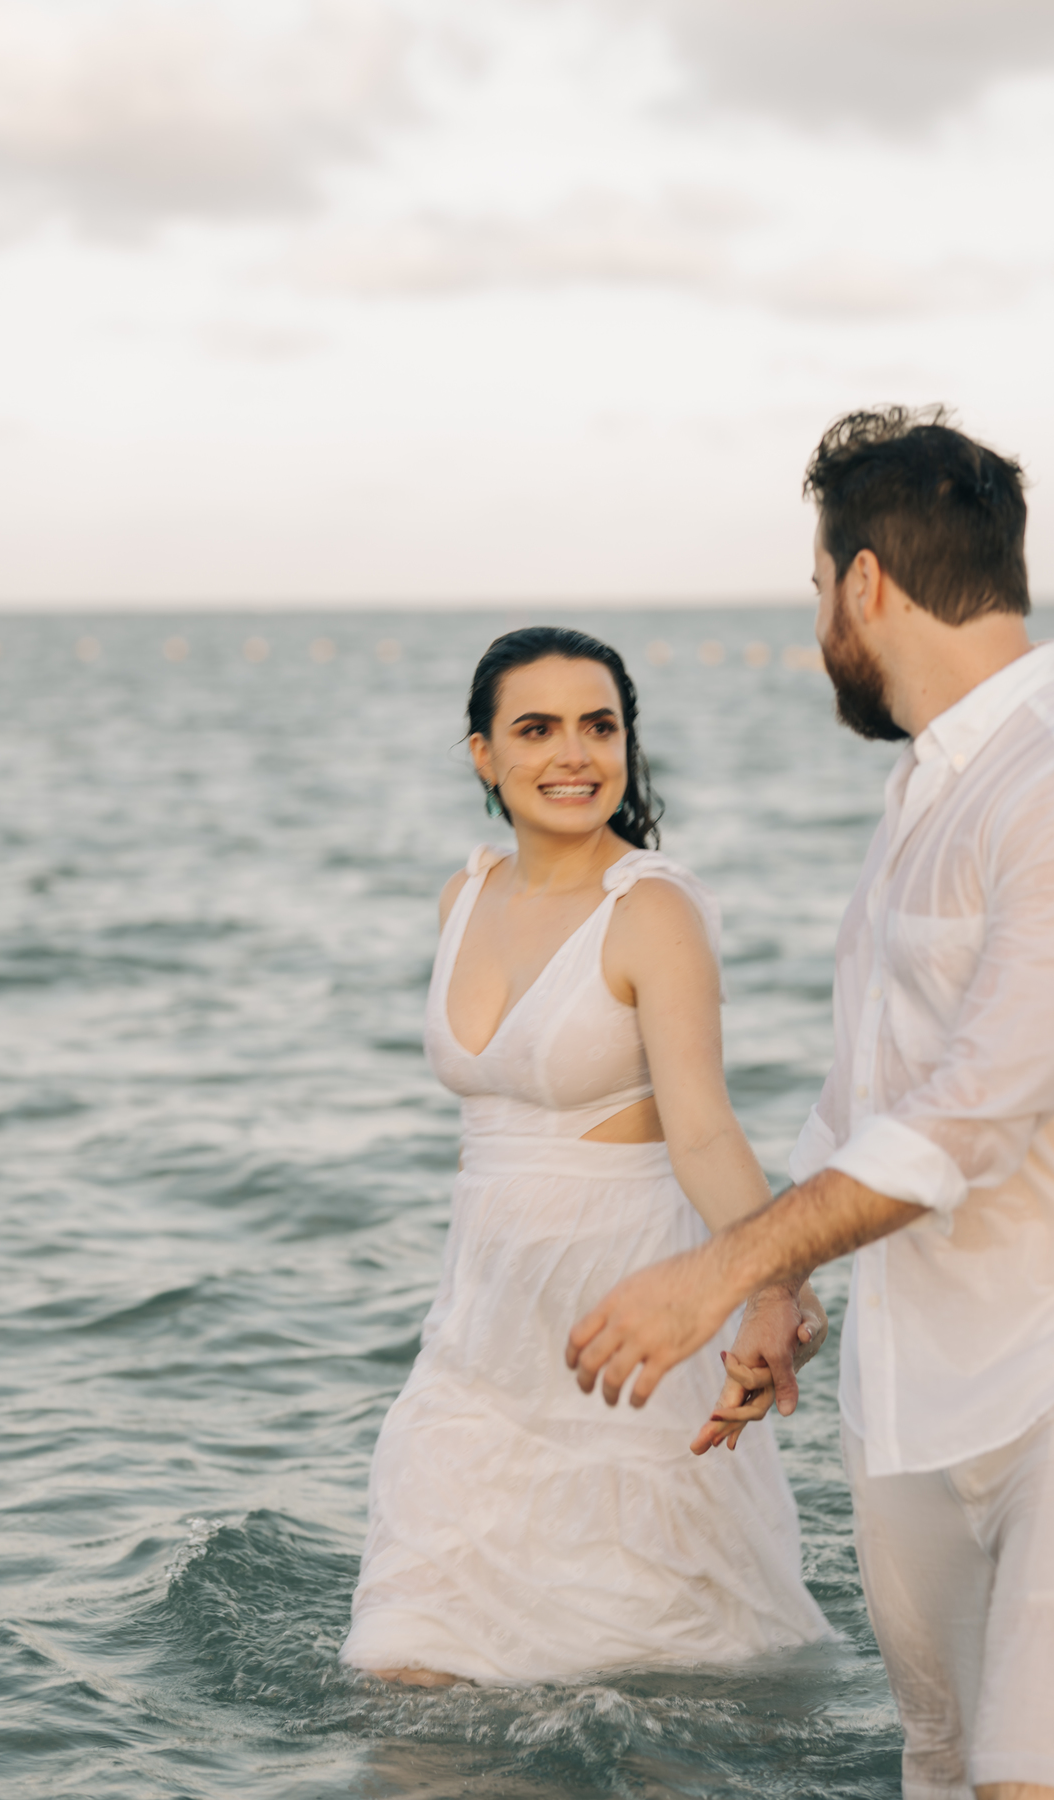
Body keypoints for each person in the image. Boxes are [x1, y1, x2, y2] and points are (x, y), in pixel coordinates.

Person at [567, 409, 1054, 1800]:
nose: (817, 630)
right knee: (942, 1771)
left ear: (864, 583)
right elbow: (865, 1093)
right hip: (908, 1396)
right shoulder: (925, 788)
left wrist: (711, 1272)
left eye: (815, 592)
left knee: (1038, 1779)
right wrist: (778, 1298)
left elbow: (977, 1115)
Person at [341, 625, 833, 1686]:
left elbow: (704, 1130)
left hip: (632, 1339)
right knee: (404, 1668)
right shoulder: (463, 895)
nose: (574, 754)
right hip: (477, 1346)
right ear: (484, 755)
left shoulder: (652, 910)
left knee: (657, 1687)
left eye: (599, 727)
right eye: (538, 729)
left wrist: (774, 1287)